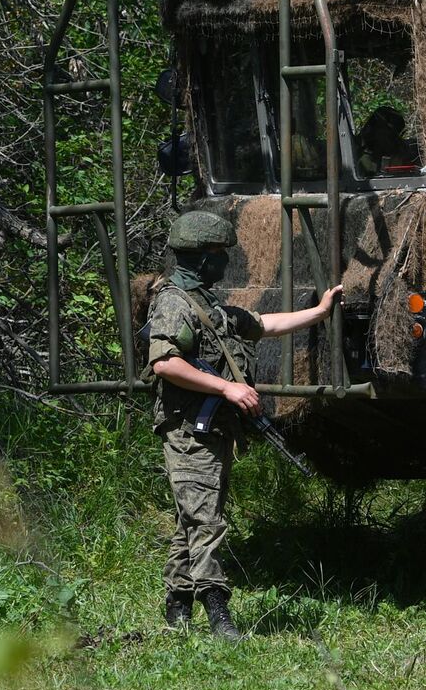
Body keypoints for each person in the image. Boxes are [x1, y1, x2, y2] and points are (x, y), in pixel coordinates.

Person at [141, 210, 341, 640]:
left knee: (192, 519)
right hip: (187, 430)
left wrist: (320, 313)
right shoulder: (175, 301)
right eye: (217, 254)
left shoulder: (209, 304)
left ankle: (177, 608)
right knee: (207, 521)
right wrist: (227, 389)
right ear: (199, 257)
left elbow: (263, 325)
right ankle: (218, 614)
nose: (224, 262)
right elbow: (164, 363)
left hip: (211, 431)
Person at [354, 105, 421, 177]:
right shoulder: (354, 151)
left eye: (394, 137)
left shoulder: (400, 149)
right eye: (391, 135)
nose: (393, 140)